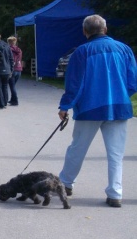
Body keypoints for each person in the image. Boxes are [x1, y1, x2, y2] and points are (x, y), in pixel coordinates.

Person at [57, 15, 137, 208]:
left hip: (89, 108)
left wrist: (65, 106)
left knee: (77, 148)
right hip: (119, 108)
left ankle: (66, 184)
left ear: (85, 31)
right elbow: (133, 81)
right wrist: (121, 95)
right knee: (116, 153)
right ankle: (115, 193)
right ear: (105, 29)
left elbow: (75, 84)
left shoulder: (82, 52)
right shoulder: (124, 49)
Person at [8, 36, 23, 106]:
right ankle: (12, 99)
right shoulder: (19, 50)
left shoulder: (9, 49)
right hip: (19, 69)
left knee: (12, 86)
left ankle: (15, 100)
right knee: (13, 85)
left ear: (9, 42)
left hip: (12, 69)